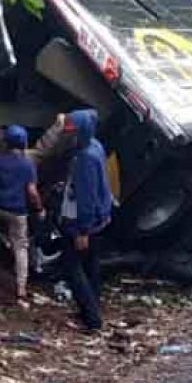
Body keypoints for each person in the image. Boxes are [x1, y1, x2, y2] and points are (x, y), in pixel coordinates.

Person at [0, 125, 45, 301]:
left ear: (6, 143)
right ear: (24, 143)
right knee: (20, 247)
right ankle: (21, 287)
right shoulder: (28, 165)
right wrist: (40, 209)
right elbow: (32, 192)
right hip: (18, 214)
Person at [59, 109, 113, 331]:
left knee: (72, 268)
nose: (70, 136)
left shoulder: (85, 158)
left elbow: (87, 196)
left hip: (82, 222)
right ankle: (92, 309)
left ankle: (91, 319)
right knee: (91, 266)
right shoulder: (95, 146)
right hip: (99, 218)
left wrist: (82, 230)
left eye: (73, 132)